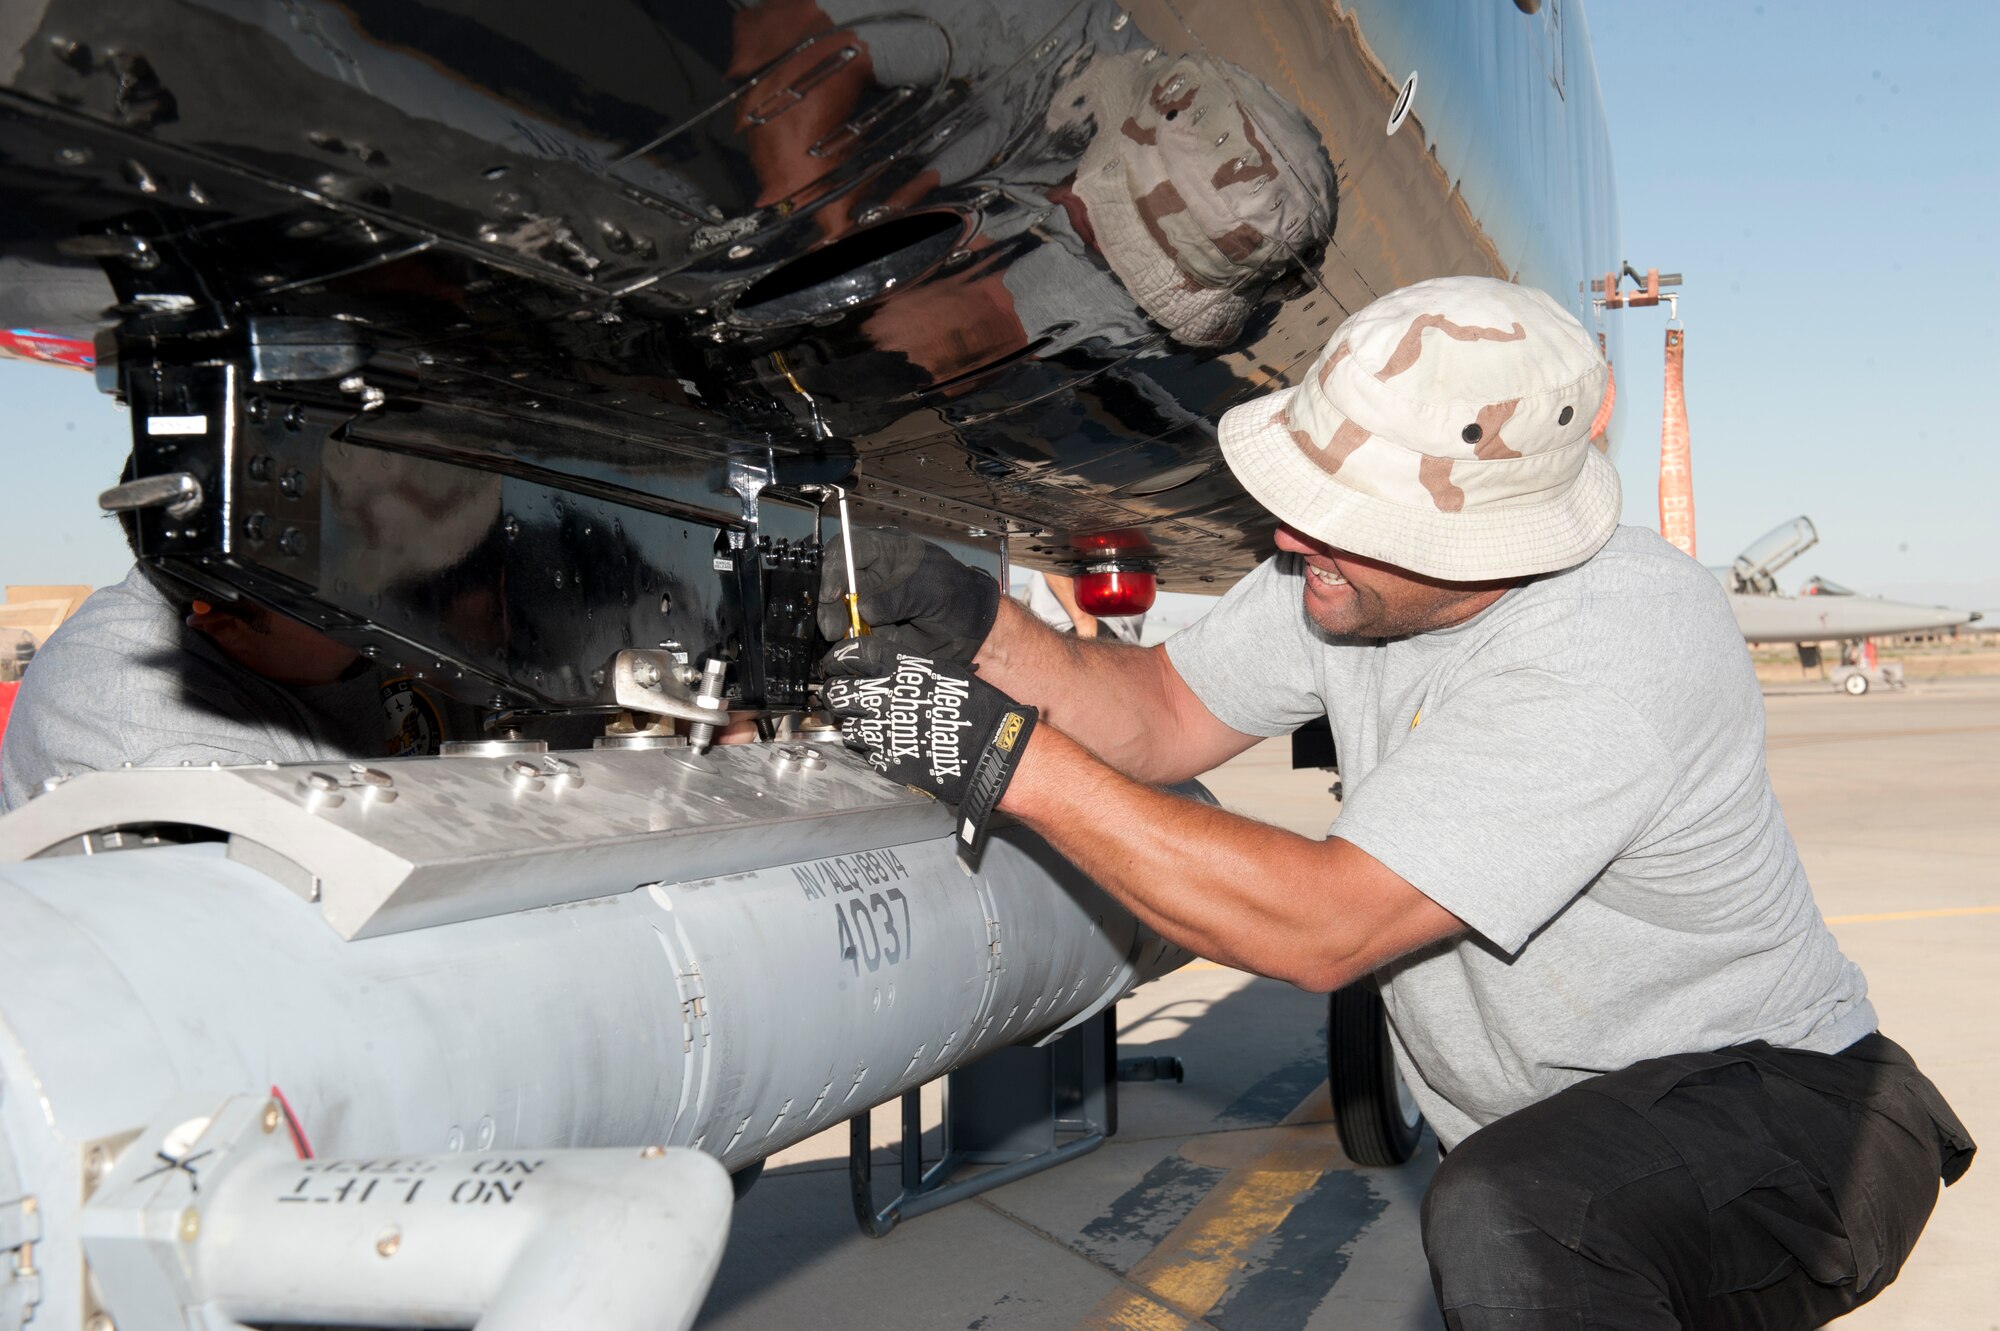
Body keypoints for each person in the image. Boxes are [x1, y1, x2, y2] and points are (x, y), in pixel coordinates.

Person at [816, 276, 1973, 1329]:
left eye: (1339, 520)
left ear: (1486, 543)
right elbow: (1160, 710)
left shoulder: (1617, 640)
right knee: (1522, 1206)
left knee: (1517, 1218)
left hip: (1795, 1117)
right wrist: (975, 621)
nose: (1284, 536)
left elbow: (1325, 923)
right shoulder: (1346, 580)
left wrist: (992, 755)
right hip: (1568, 1144)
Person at [0, 562, 481, 811]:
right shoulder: (139, 725)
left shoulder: (301, 617)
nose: (389, 611)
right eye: (347, 608)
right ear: (228, 627)